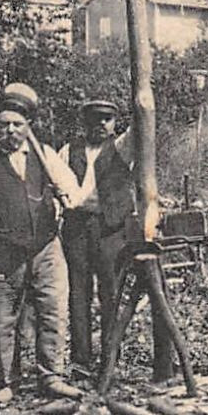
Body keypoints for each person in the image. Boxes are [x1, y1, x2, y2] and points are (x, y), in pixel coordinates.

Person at [0, 83, 82, 403]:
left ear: (28, 125)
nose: (10, 130)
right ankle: (4, 382)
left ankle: (52, 376)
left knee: (53, 312)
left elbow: (73, 191)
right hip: (2, 251)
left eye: (17, 124)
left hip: (46, 247)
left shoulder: (45, 155)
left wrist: (66, 198)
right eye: (4, 124)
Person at [56, 100, 172, 382]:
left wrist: (141, 103)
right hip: (77, 227)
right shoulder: (68, 150)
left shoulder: (121, 147)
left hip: (110, 229)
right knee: (78, 293)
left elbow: (141, 126)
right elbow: (55, 183)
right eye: (95, 119)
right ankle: (81, 359)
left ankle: (110, 355)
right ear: (84, 122)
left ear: (114, 122)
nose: (100, 124)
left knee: (111, 293)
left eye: (106, 119)